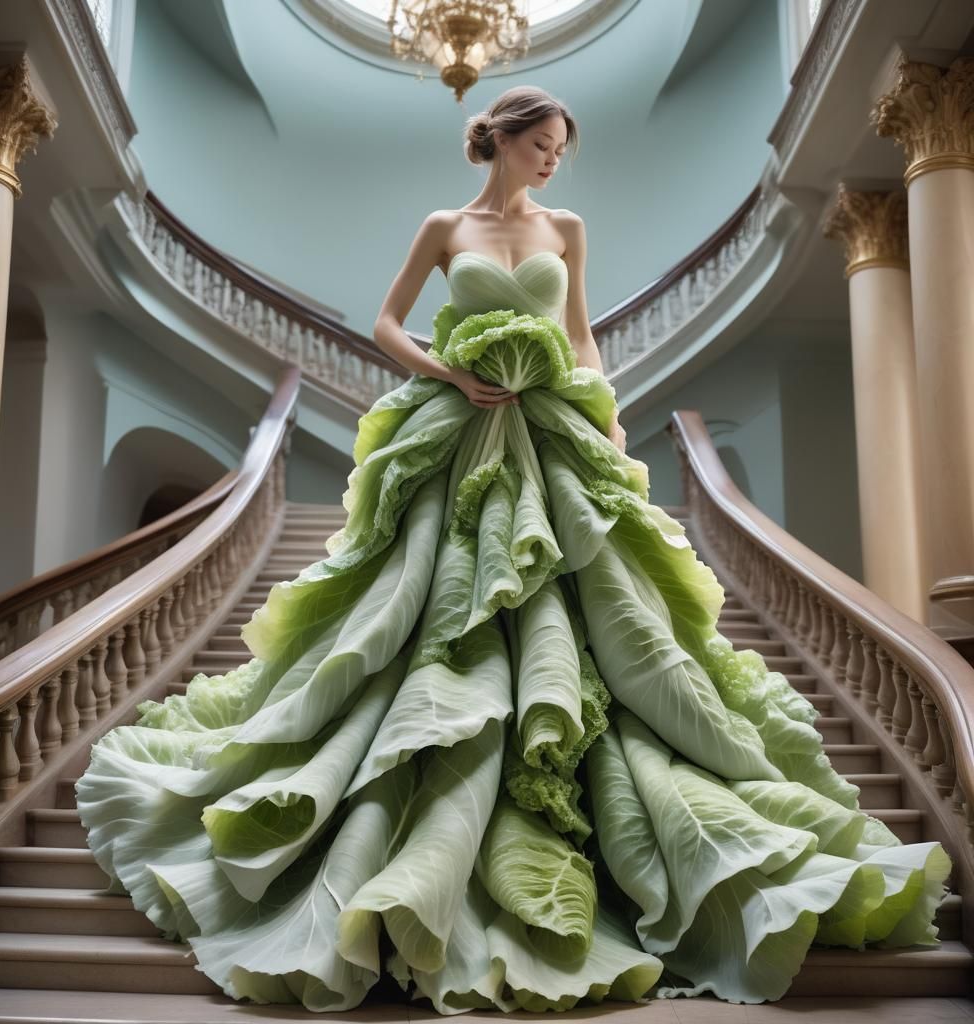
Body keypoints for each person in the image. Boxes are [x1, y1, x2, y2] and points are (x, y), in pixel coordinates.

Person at [76, 85, 953, 1014]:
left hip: (552, 437)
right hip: (456, 431)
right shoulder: (444, 225)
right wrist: (447, 370)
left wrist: (607, 427)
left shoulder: (566, 228)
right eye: (542, 144)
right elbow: (382, 323)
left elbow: (581, 338)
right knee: (428, 606)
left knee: (592, 620)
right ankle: (415, 831)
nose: (551, 161)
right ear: (501, 137)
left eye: (560, 149)